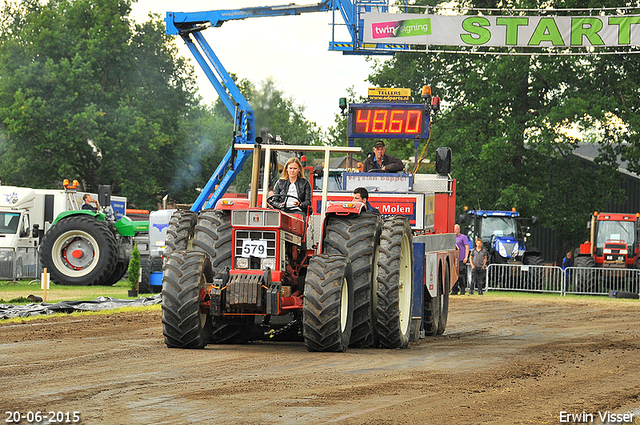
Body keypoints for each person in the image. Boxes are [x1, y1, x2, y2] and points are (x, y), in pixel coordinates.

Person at [452, 224, 469, 295]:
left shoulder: (463, 237)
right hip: (453, 259)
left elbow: (467, 247)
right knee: (454, 275)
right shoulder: (452, 238)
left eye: (456, 229)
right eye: (454, 229)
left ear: (459, 230)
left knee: (461, 275)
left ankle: (462, 289)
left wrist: (466, 257)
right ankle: (454, 290)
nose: (455, 231)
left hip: (461, 259)